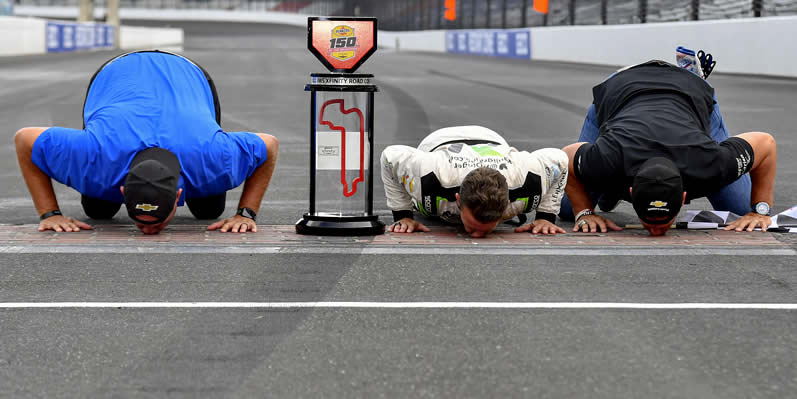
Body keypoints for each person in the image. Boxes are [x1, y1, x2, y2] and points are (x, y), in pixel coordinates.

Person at [14, 50, 279, 235]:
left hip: (187, 75)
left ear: (177, 195)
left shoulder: (213, 161)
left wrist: (246, 213)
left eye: (156, 221)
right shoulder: (93, 160)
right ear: (122, 191)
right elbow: (24, 139)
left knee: (210, 210)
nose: (149, 231)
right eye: (140, 222)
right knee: (98, 210)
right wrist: (50, 214)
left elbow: (269, 145)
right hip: (116, 82)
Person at [560, 55, 776, 236]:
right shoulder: (607, 158)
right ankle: (606, 185)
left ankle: (691, 74)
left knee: (741, 210)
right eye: (650, 221)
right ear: (633, 193)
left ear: (683, 197)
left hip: (687, 92)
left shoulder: (710, 162)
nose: (655, 232)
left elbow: (765, 145)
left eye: (661, 222)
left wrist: (760, 210)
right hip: (621, 89)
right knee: (570, 211)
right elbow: (567, 156)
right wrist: (584, 212)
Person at [380, 125, 568, 237]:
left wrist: (546, 217)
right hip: (440, 141)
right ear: (458, 200)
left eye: (486, 231)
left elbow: (560, 159)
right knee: (422, 205)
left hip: (491, 139)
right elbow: (390, 157)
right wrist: (403, 215)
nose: (477, 236)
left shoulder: (528, 182)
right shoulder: (430, 176)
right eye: (471, 227)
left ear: (507, 205)